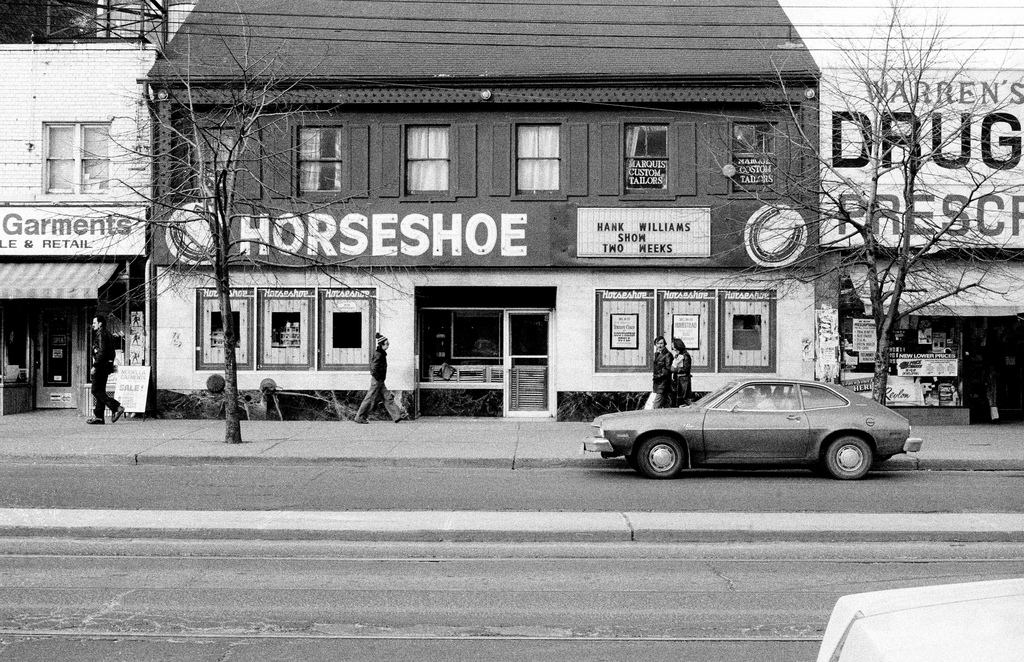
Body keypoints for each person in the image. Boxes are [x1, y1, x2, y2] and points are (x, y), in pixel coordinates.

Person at [354, 332, 407, 424]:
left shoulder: (381, 353)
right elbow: (373, 368)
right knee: (370, 398)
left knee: (387, 397)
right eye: (387, 344)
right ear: (382, 344)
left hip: (379, 380)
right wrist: (378, 378)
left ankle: (397, 416)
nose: (388, 346)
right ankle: (360, 417)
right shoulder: (379, 354)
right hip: (377, 380)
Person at [87, 315, 124, 425]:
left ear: (100, 323)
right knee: (100, 391)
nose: (93, 324)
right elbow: (111, 352)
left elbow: (101, 352)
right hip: (106, 366)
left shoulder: (101, 334)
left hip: (101, 366)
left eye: (95, 322)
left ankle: (117, 407)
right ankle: (99, 417)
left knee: (95, 390)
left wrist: (95, 365)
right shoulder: (107, 334)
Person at [644, 336, 673, 410]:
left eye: (661, 343)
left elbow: (668, 370)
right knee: (665, 405)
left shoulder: (667, 355)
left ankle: (652, 420)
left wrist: (658, 376)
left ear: (664, 344)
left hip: (663, 383)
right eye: (658, 343)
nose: (659, 345)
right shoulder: (656, 354)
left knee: (656, 405)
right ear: (655, 344)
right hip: (657, 383)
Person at [670, 338, 693, 406]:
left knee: (682, 401)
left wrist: (676, 369)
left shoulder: (685, 355)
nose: (673, 347)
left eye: (673, 345)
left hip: (683, 382)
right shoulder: (678, 355)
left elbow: (686, 369)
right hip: (677, 381)